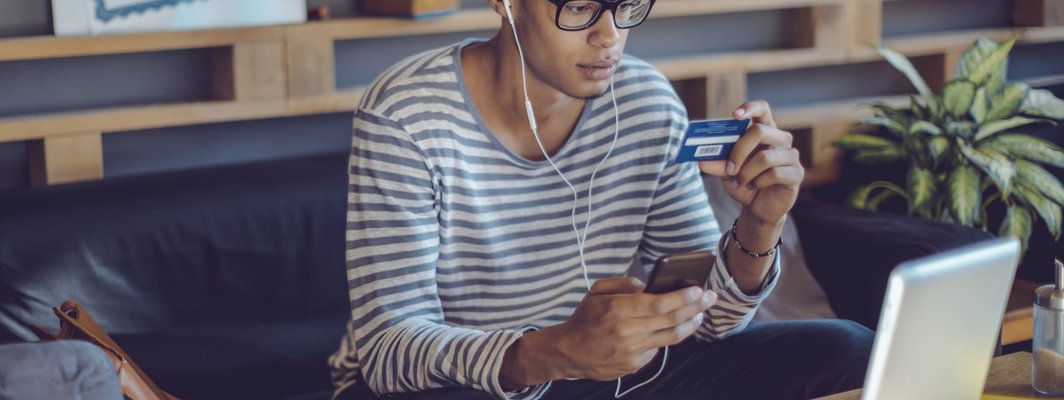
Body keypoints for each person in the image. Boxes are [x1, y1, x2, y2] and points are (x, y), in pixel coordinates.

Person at [327, 0, 874, 398]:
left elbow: (711, 323)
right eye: (580, 6)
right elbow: (387, 352)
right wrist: (550, 351)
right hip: (459, 387)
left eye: (626, 4)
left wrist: (761, 224)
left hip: (600, 377)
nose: (609, 35)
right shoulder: (406, 115)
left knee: (847, 351)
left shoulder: (645, 103)